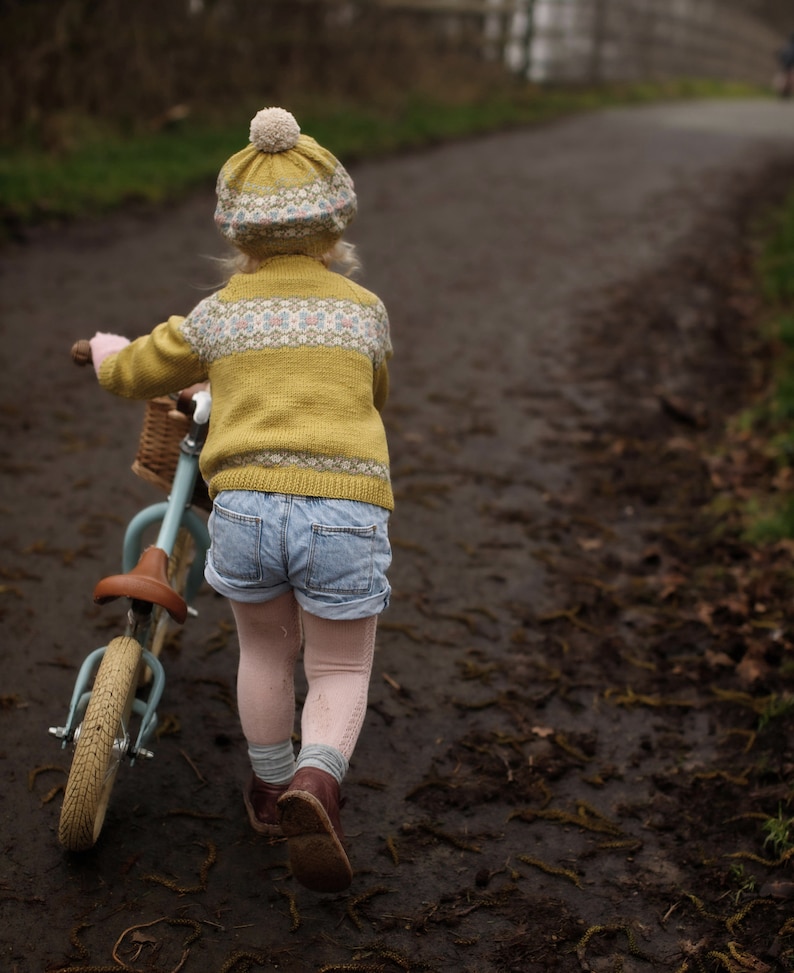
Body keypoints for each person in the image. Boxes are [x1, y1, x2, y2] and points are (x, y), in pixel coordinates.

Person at [88, 107, 393, 893]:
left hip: (248, 508)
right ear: (334, 230)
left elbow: (140, 370)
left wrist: (105, 353)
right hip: (344, 508)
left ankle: (266, 789)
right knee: (338, 664)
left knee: (265, 649)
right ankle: (317, 783)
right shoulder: (364, 312)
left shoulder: (218, 314)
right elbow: (374, 391)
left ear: (238, 238)